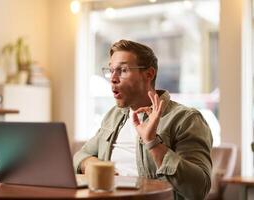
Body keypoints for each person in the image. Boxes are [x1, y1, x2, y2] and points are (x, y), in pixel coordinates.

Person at [73, 40, 212, 200]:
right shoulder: (114, 115)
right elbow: (81, 155)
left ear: (149, 74)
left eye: (123, 70)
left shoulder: (186, 119)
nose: (113, 78)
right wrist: (90, 165)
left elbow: (199, 189)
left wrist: (153, 143)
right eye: (111, 70)